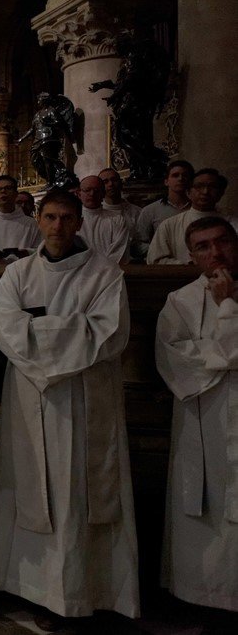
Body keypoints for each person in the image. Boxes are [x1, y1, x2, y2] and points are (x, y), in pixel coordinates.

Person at [0, 189, 138, 630]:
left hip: (86, 398)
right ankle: (33, 589)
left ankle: (87, 593)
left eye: (66, 218)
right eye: (50, 216)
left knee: (79, 494)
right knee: (34, 487)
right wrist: (68, 331)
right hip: (32, 398)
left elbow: (110, 333)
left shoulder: (105, 274)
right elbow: (9, 331)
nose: (57, 226)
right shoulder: (16, 274)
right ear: (38, 219)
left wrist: (42, 332)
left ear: (78, 223)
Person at [154, 216, 238, 613]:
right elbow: (174, 359)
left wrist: (224, 315)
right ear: (191, 256)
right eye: (203, 247)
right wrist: (225, 351)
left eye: (222, 243)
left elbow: (213, 356)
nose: (215, 253)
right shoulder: (180, 301)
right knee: (205, 510)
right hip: (204, 416)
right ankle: (202, 598)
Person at [149, 168, 229, 265]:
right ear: (188, 192)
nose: (205, 192)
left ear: (221, 193)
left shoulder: (233, 223)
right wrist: (186, 265)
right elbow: (155, 260)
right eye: (199, 186)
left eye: (212, 186)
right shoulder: (169, 225)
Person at [136, 160, 193, 255]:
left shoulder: (198, 209)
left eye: (185, 175)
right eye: (175, 175)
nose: (180, 179)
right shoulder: (150, 210)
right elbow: (139, 243)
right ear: (166, 181)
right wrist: (160, 251)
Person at [78, 175, 130, 263]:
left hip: (109, 272)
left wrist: (101, 270)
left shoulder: (117, 219)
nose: (92, 194)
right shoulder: (70, 219)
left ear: (103, 194)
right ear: (79, 194)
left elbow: (119, 251)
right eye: (87, 190)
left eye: (96, 190)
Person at [99, 168, 141, 241]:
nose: (110, 184)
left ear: (121, 183)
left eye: (114, 180)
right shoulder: (97, 212)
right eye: (105, 182)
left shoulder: (137, 212)